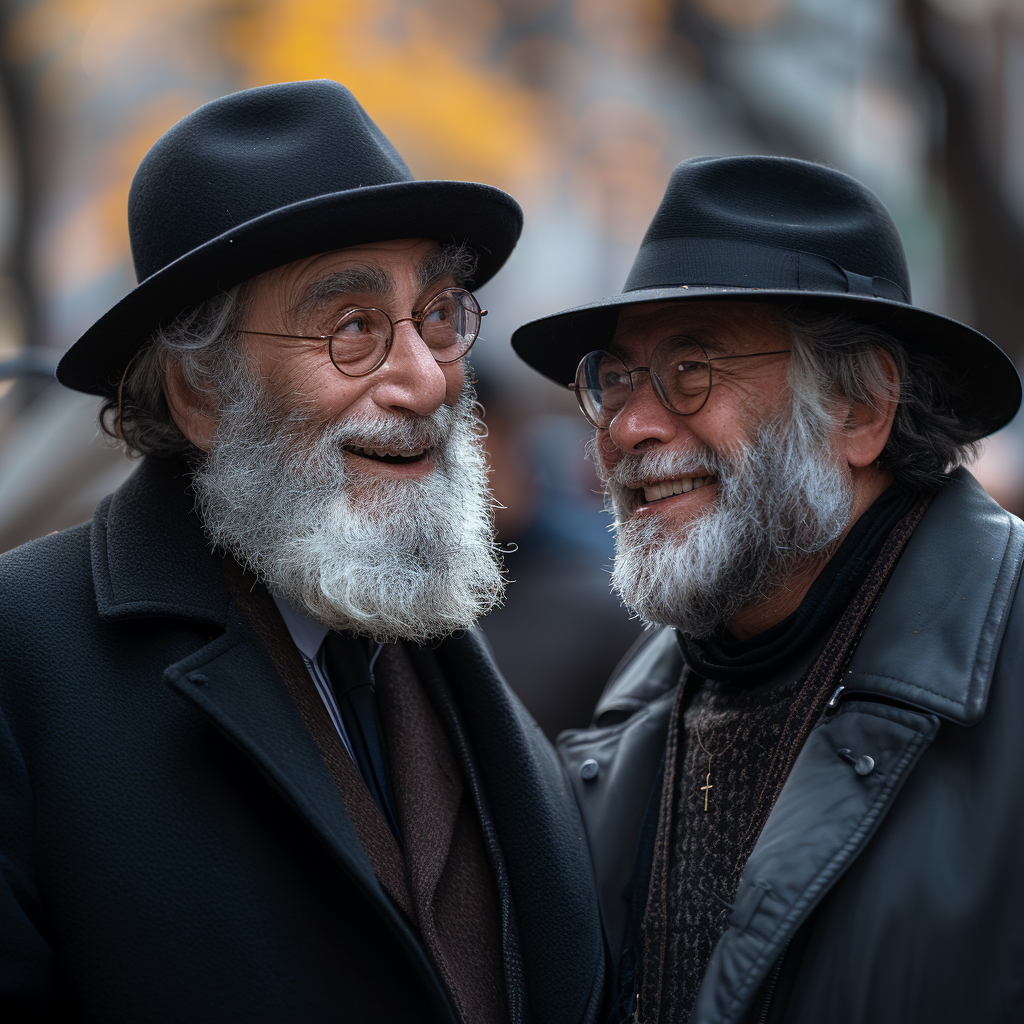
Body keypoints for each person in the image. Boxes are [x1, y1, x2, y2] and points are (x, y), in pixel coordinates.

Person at [0, 80, 603, 1024]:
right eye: (353, 326)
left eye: (440, 313)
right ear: (200, 391)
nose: (425, 379)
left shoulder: (427, 640)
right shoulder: (22, 658)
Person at [511, 155, 1024, 1024]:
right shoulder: (628, 722)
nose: (630, 427)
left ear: (858, 409)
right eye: (618, 378)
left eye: (692, 370)